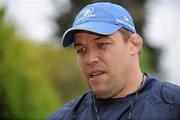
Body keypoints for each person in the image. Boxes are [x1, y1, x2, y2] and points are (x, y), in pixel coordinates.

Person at [47, 2, 180, 120]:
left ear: (134, 44)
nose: (90, 59)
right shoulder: (64, 117)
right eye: (81, 50)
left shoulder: (174, 106)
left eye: (102, 44)